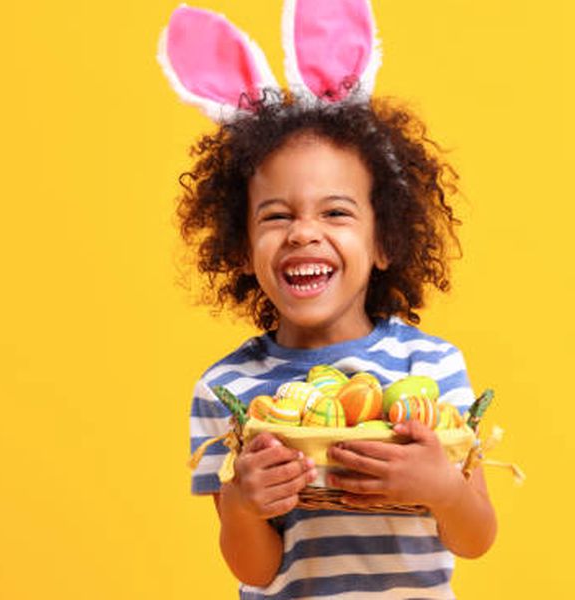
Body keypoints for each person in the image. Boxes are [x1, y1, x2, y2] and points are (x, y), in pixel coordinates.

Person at [162, 2, 496, 598]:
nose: (303, 234)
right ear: (242, 249)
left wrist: (444, 489)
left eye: (336, 212)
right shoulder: (226, 389)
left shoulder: (430, 365)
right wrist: (243, 506)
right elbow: (255, 570)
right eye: (276, 216)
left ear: (385, 241)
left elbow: (476, 537)